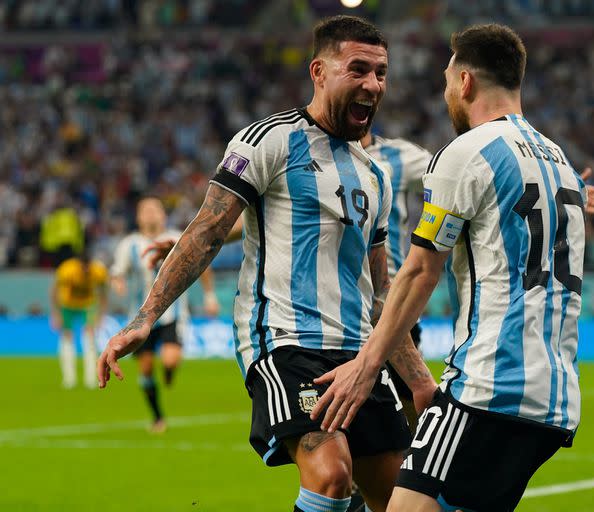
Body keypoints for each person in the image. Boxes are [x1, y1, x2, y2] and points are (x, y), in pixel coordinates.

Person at [97, 16, 434, 512]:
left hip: (358, 355)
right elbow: (208, 230)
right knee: (331, 473)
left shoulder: (376, 177)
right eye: (358, 69)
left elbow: (381, 294)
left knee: (401, 499)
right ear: (319, 71)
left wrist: (420, 380)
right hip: (285, 342)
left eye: (381, 73)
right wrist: (146, 317)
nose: (372, 84)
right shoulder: (267, 141)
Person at [312, 24, 586, 511]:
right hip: (555, 400)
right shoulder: (559, 161)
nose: (445, 95)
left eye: (445, 82)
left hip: (487, 388)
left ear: (464, 82)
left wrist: (366, 365)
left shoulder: (466, 153)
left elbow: (419, 272)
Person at [111, 195, 220, 433]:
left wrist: (209, 297)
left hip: (173, 313)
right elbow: (118, 271)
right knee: (147, 368)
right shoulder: (129, 244)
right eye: (145, 210)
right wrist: (118, 282)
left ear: (163, 214)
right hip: (141, 317)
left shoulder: (177, 237)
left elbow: (201, 264)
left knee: (170, 360)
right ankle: (158, 417)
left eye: (155, 209)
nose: (150, 213)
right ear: (138, 217)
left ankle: (169, 372)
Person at [50, 249, 108, 389]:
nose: (86, 270)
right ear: (78, 264)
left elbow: (103, 292)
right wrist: (56, 314)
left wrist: (101, 315)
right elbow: (54, 290)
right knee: (67, 338)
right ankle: (69, 379)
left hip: (87, 305)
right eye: (83, 267)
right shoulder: (67, 269)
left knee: (89, 339)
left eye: (88, 266)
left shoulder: (98, 271)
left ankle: (91, 379)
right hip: (67, 305)